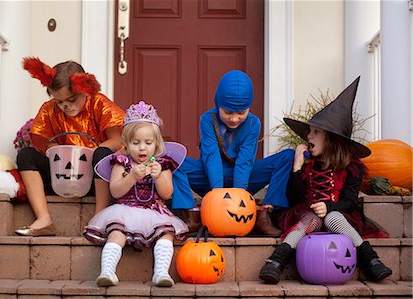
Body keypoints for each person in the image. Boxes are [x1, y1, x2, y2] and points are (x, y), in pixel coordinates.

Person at [259, 77, 392, 284]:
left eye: (315, 132)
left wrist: (329, 207)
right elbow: (293, 197)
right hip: (306, 214)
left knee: (332, 218)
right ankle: (276, 261)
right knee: (312, 219)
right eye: (309, 132)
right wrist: (296, 168)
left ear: (331, 139)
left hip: (339, 214)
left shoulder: (352, 166)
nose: (309, 137)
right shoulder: (308, 164)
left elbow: (350, 200)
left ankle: (371, 260)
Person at [172, 70, 294, 235]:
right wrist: (217, 193)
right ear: (218, 104)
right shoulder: (208, 120)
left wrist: (239, 196)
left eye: (241, 113)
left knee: (287, 157)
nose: (234, 118)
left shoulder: (253, 123)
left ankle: (266, 214)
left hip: (244, 180)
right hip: (209, 178)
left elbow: (246, 160)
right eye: (228, 112)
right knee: (173, 159)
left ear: (249, 108)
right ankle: (190, 215)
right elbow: (211, 155)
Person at [14, 57, 125, 236]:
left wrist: (90, 154)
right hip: (62, 177)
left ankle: (99, 217)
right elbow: (44, 142)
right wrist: (54, 149)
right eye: (59, 102)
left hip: (95, 178)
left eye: (71, 99)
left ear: (85, 90)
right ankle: (43, 219)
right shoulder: (50, 110)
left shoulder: (99, 104)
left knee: (102, 153)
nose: (66, 106)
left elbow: (117, 140)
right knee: (26, 155)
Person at [84, 101, 189, 287]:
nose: (142, 148)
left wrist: (158, 178)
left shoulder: (161, 164)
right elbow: (115, 190)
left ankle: (161, 273)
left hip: (153, 212)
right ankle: (107, 271)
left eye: (148, 143)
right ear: (125, 144)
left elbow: (167, 194)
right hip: (124, 210)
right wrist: (131, 176)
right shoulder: (122, 163)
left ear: (156, 145)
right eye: (136, 143)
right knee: (116, 233)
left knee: (166, 235)